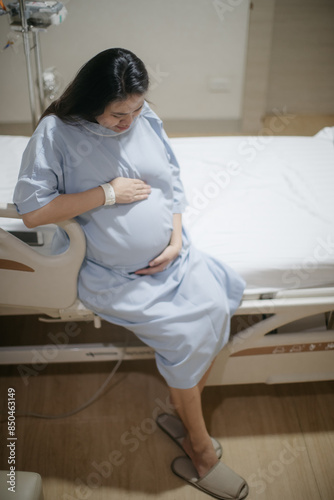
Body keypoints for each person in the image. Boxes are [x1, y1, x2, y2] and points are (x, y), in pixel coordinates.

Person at [13, 48, 248, 499]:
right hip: (120, 276)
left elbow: (171, 179)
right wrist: (107, 193)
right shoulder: (57, 133)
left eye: (137, 109)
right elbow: (34, 212)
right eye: (119, 114)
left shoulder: (143, 115)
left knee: (216, 309)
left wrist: (176, 239)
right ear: (91, 100)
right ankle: (201, 451)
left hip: (176, 257)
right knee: (185, 337)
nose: (130, 121)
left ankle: (186, 415)